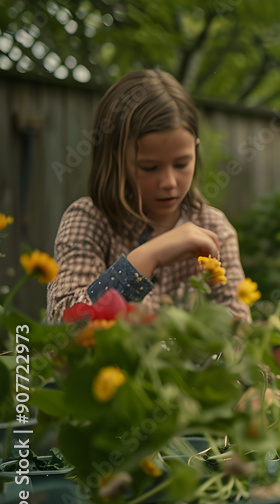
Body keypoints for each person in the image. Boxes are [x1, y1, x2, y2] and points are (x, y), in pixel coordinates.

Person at [47, 69, 250, 323]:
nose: (169, 183)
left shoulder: (215, 229)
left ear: (195, 150)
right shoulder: (89, 221)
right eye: (149, 167)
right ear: (115, 160)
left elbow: (238, 328)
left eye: (181, 164)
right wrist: (146, 258)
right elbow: (64, 322)